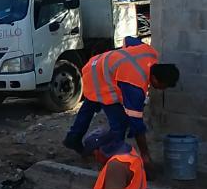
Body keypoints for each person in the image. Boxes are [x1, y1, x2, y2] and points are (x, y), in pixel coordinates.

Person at [63, 38, 179, 169]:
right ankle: (108, 155)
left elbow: (128, 40)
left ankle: (73, 138)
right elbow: (136, 124)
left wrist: (119, 63)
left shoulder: (150, 53)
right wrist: (145, 155)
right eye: (163, 86)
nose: (162, 89)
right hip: (99, 79)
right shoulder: (135, 85)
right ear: (155, 79)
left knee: (89, 107)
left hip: (96, 64)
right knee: (119, 124)